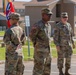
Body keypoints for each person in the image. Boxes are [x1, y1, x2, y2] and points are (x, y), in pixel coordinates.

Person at [30, 8, 53, 75]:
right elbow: (32, 36)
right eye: (48, 15)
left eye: (50, 15)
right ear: (43, 15)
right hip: (40, 52)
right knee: (38, 70)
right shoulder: (38, 25)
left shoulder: (49, 25)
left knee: (47, 70)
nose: (50, 16)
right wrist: (36, 44)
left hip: (48, 51)